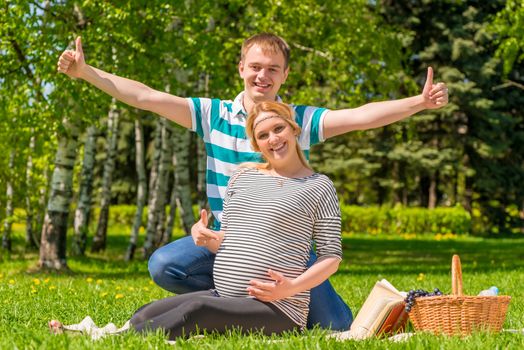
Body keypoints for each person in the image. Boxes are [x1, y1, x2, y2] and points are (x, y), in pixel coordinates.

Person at [57, 33, 448, 330]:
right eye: (256, 66)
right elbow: (144, 96)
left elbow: (362, 115)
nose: (263, 75)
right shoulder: (213, 115)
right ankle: (240, 300)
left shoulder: (297, 120)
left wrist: (419, 102)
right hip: (226, 244)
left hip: (286, 253)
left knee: (336, 327)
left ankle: (273, 299)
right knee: (165, 265)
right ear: (241, 68)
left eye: (273, 69)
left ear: (285, 75)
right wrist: (85, 72)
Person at [50, 101, 344, 340]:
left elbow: (331, 257)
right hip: (226, 294)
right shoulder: (243, 177)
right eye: (263, 135)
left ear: (293, 129)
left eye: (278, 129)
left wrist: (289, 288)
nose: (273, 139)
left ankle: (108, 341)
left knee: (197, 308)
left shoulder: (318, 186)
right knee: (145, 313)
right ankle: (125, 331)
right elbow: (229, 239)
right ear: (257, 144)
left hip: (278, 309)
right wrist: (208, 237)